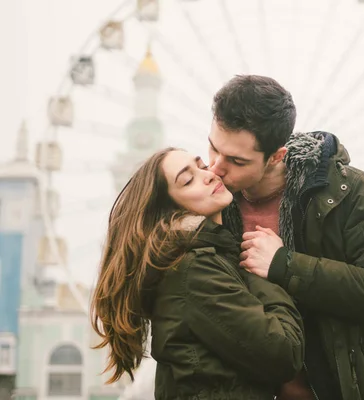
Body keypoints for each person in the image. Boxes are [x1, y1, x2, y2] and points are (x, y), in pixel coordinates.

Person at [208, 75, 364, 400]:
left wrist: (286, 265)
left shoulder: (347, 191)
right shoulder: (207, 202)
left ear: (277, 156)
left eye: (237, 161)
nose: (216, 168)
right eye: (213, 147)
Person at [90, 147, 304, 400]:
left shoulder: (201, 261)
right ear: (171, 212)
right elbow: (284, 354)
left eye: (202, 167)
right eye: (188, 180)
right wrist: (266, 269)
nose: (209, 176)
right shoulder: (193, 271)